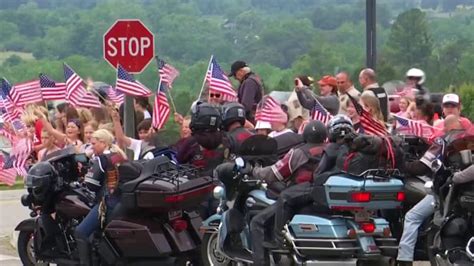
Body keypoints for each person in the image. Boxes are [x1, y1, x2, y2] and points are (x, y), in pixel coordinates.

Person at [269, 115, 401, 248]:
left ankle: (280, 240)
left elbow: (318, 174)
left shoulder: (331, 148)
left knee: (285, 197)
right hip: (355, 189)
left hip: (328, 188)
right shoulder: (359, 147)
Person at [250, 120, 328, 266]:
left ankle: (270, 251)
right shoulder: (329, 149)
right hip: (322, 196)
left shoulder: (299, 152)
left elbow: (275, 173)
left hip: (298, 197)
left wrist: (254, 171)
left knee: (257, 222)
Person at [397, 115, 465, 266]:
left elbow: (422, 166)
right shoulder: (468, 142)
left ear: (446, 127)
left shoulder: (443, 141)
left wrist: (402, 164)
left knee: (412, 217)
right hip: (463, 192)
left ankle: (404, 258)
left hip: (447, 190)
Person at [75, 129, 127, 266]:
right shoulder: (119, 155)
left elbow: (90, 185)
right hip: (122, 201)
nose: (92, 147)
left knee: (80, 231)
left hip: (109, 202)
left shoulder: (102, 159)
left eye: (94, 143)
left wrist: (85, 175)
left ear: (103, 143)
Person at [176, 102, 227, 176]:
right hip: (221, 182)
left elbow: (179, 160)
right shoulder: (225, 138)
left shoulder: (191, 142)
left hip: (198, 183)